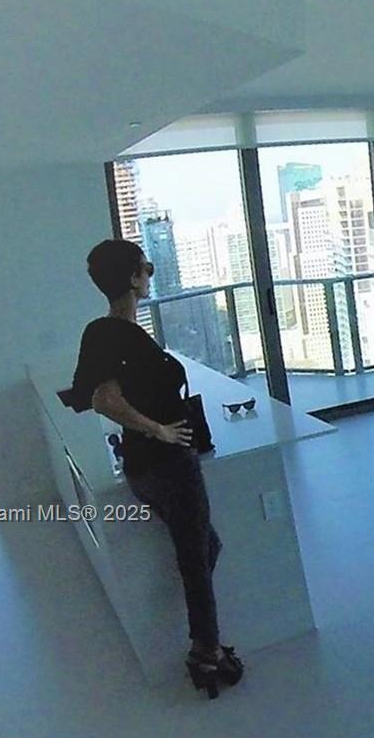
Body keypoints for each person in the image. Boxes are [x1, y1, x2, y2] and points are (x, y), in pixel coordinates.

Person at [68, 239, 243, 697]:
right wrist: (159, 430)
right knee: (195, 558)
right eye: (146, 268)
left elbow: (103, 394)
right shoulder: (114, 333)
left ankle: (202, 640)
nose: (150, 275)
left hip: (144, 466)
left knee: (203, 548)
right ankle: (206, 652)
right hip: (169, 463)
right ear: (132, 278)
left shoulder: (109, 332)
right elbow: (103, 399)